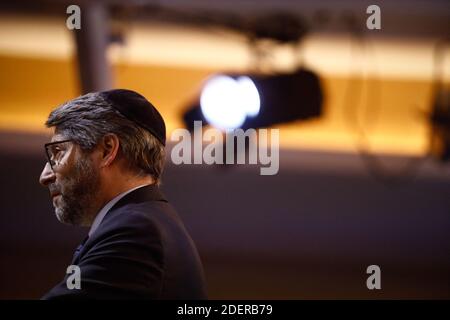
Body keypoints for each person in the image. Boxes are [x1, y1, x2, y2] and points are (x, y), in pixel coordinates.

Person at [38, 89, 207, 299]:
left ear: (107, 150)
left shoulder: (135, 231)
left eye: (58, 153)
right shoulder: (144, 223)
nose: (45, 176)